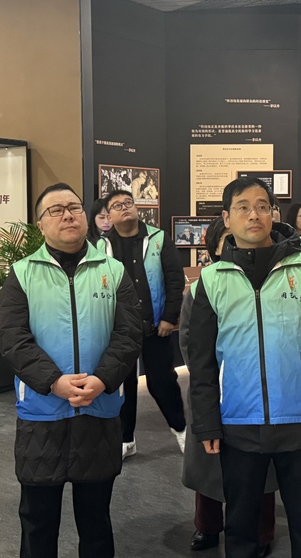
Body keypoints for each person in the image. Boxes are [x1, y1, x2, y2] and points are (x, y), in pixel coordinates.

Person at [188, 177, 301, 558]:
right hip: (237, 420)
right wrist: (207, 421)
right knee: (240, 528)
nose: (254, 215)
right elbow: (202, 361)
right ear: (226, 218)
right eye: (243, 207)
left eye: (262, 206)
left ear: (273, 214)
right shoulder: (211, 280)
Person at [0, 183, 142, 558]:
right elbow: (12, 337)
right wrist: (53, 382)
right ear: (40, 224)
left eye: (74, 207)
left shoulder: (113, 271)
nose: (67, 215)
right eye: (55, 210)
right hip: (42, 413)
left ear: (87, 217)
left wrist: (103, 379)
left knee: (96, 522)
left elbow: (128, 334)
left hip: (99, 409)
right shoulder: (22, 273)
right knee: (37, 521)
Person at [180, 216, 278, 555]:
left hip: (259, 390)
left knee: (261, 468)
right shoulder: (202, 286)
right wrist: (213, 376)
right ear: (215, 249)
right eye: (228, 241)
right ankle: (207, 526)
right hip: (214, 388)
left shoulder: (267, 283)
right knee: (209, 464)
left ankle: (262, 533)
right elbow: (189, 341)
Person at [100, 190, 187, 458]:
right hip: (119, 330)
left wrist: (169, 317)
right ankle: (126, 440)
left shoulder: (158, 238)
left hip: (155, 326)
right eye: (117, 205)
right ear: (109, 215)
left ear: (136, 208)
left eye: (128, 203)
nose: (124, 208)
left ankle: (182, 430)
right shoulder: (101, 246)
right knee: (123, 384)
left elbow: (175, 279)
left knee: (162, 382)